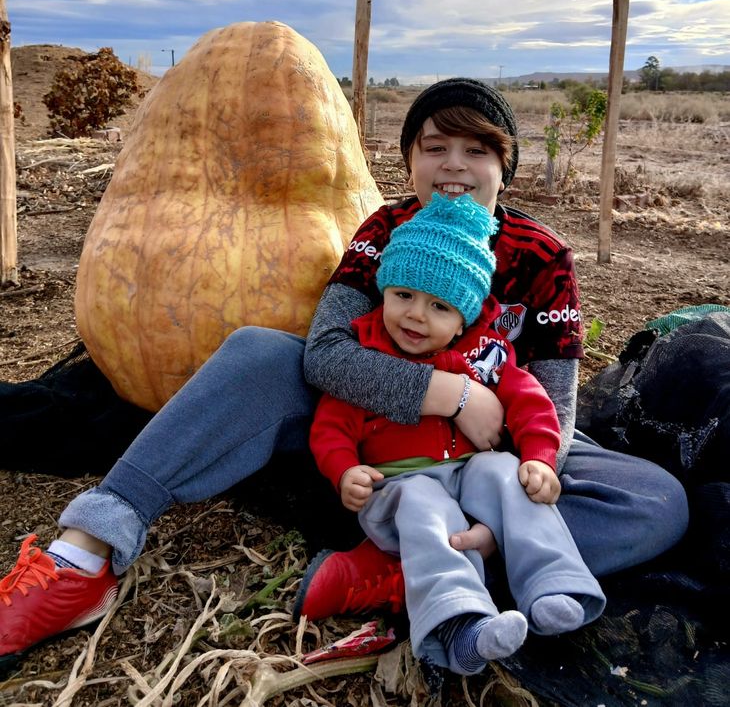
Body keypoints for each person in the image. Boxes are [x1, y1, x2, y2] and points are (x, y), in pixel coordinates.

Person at [0, 78, 687, 674]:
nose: (454, 166)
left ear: (505, 164)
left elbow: (555, 414)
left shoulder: (541, 256)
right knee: (258, 353)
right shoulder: (384, 228)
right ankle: (85, 554)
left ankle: (412, 562)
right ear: (410, 158)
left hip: (484, 467)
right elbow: (326, 354)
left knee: (657, 499)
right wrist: (450, 394)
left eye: (476, 150)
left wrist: (510, 492)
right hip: (368, 441)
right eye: (433, 147)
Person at [308, 192, 605, 674]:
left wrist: (539, 458)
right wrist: (345, 470)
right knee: (425, 504)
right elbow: (331, 427)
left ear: (465, 316)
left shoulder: (485, 355)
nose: (415, 316)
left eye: (439, 306)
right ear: (384, 290)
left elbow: (531, 402)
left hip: (468, 475)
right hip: (398, 486)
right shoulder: (366, 351)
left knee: (507, 473)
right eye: (402, 295)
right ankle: (460, 624)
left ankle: (553, 582)